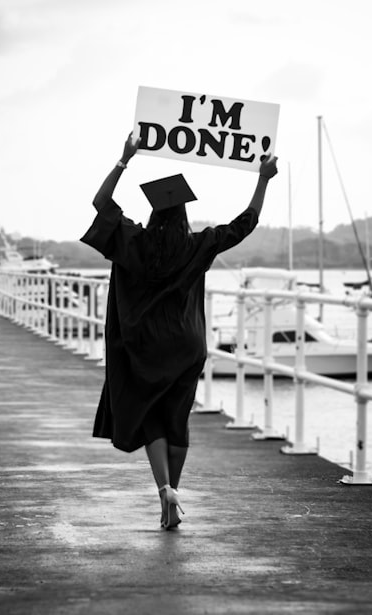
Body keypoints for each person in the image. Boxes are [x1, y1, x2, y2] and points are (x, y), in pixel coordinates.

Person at [81, 132, 278, 530]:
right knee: (177, 417)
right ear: (184, 215)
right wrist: (263, 179)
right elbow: (246, 223)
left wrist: (124, 159)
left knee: (151, 418)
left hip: (144, 346)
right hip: (188, 345)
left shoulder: (134, 240)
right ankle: (175, 492)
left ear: (154, 213)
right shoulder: (197, 245)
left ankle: (164, 490)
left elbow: (101, 204)